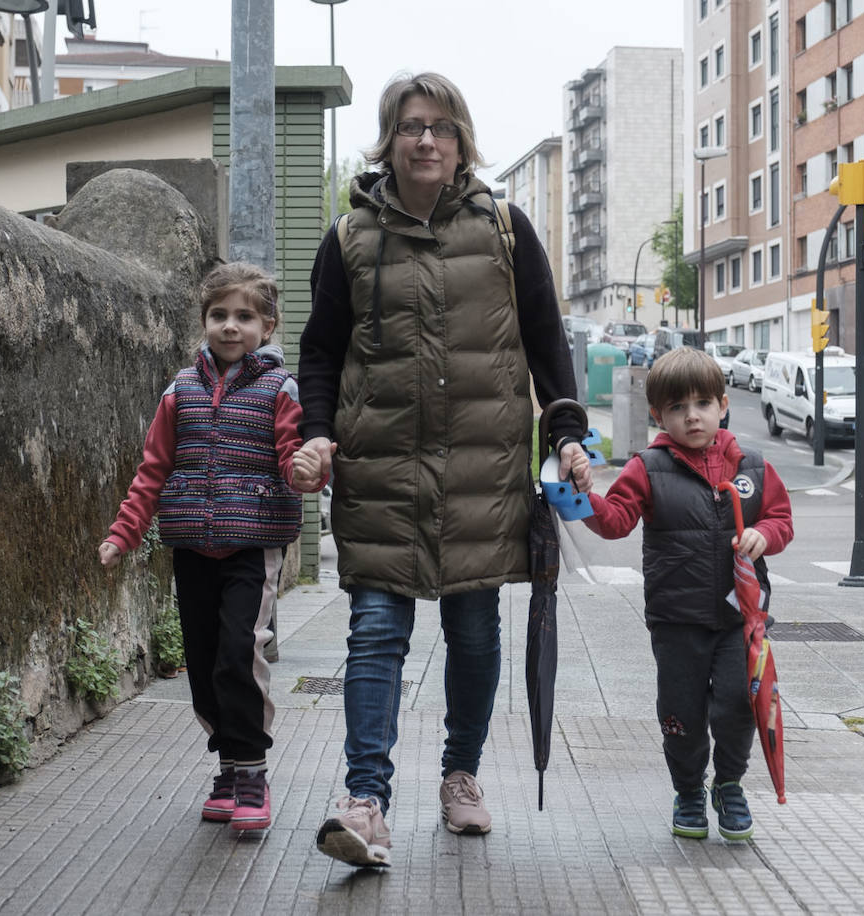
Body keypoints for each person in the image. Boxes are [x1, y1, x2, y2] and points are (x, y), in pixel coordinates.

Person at [293, 72, 591, 868]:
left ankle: (461, 776)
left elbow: (545, 338)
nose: (426, 140)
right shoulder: (351, 237)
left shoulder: (505, 227)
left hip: (481, 473)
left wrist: (566, 431)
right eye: (410, 127)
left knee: (473, 636)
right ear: (388, 140)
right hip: (380, 470)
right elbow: (320, 351)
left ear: (461, 141)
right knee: (376, 632)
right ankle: (366, 800)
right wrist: (317, 434)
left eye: (440, 128)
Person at [98, 262, 324, 833]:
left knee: (237, 654)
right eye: (219, 315)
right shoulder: (180, 390)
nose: (230, 326)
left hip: (252, 546)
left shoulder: (280, 389)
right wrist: (123, 534)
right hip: (192, 546)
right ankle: (227, 767)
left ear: (267, 327)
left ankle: (251, 772)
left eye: (244, 316)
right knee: (201, 662)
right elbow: (153, 470)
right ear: (204, 323)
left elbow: (294, 459)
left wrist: (304, 473)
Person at [579, 347, 793, 841]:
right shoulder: (647, 468)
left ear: (723, 405)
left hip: (740, 621)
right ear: (658, 415)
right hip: (676, 621)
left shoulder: (753, 468)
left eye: (702, 403)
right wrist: (580, 496)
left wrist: (766, 534)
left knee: (739, 704)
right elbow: (614, 521)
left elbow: (781, 519)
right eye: (677, 407)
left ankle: (730, 784)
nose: (691, 415)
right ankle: (690, 790)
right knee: (681, 712)